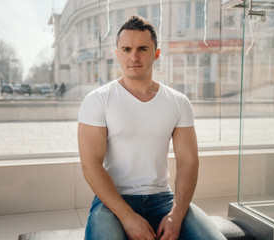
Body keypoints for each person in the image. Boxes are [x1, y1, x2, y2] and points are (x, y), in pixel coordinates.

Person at [78, 15, 226, 240]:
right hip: (113, 200)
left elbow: (188, 161)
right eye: (126, 49)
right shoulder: (97, 100)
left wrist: (176, 215)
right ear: (117, 54)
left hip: (163, 199)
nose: (134, 56)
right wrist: (128, 217)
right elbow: (91, 165)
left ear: (156, 53)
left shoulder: (178, 102)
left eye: (142, 48)